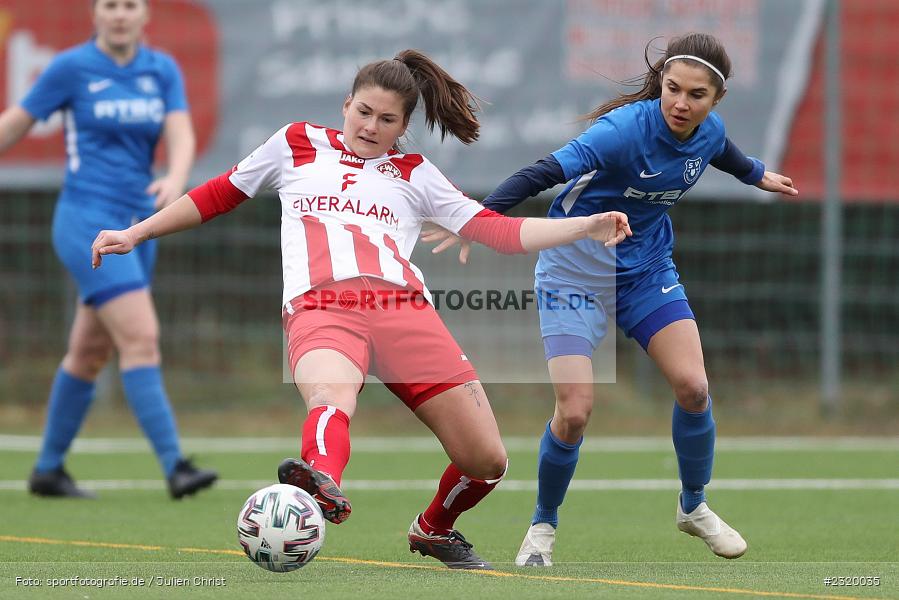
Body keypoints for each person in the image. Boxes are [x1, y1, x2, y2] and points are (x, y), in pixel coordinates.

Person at [90, 49, 632, 569]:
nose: (371, 126)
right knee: (330, 397)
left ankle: (433, 527)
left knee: (487, 461)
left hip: (404, 313)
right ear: (345, 105)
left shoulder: (416, 174)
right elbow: (217, 194)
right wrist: (136, 232)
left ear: (403, 128)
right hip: (323, 306)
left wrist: (585, 225)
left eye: (387, 119)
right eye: (364, 111)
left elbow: (499, 231)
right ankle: (318, 490)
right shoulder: (296, 142)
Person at [424, 32, 799, 565]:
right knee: (574, 413)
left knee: (694, 387)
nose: (680, 103)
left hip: (647, 273)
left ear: (715, 101)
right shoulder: (622, 131)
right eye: (672, 89)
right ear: (661, 84)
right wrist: (476, 220)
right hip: (572, 275)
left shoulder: (708, 132)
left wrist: (759, 175)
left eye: (696, 95)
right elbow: (542, 173)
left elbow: (726, 155)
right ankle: (542, 528)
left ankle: (693, 507)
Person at [0, 0, 217, 499]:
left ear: (145, 15)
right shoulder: (71, 67)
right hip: (84, 222)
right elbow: (18, 120)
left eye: (130, 5)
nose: (120, 14)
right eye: (109, 5)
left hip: (138, 226)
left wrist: (177, 180)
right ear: (96, 14)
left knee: (89, 351)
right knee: (140, 337)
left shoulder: (160, 68)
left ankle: (48, 471)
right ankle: (176, 466)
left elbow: (180, 131)